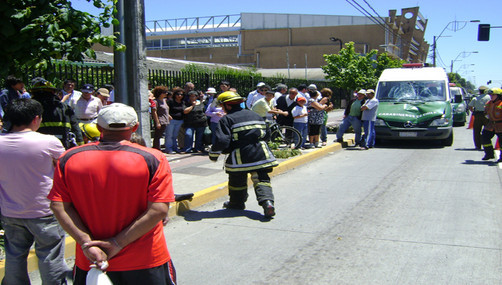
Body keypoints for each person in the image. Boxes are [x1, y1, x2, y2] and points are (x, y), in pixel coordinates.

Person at [48, 103, 177, 284]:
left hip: (92, 259)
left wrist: (86, 242)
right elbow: (158, 210)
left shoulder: (69, 158)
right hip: (145, 260)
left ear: (99, 128)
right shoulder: (154, 158)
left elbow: (58, 206)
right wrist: (116, 244)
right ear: (135, 128)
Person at [0, 98, 69, 284]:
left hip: (10, 211)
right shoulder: (48, 142)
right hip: (44, 210)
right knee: (50, 255)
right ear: (36, 119)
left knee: (14, 255)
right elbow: (65, 168)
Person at [209, 91, 278, 218]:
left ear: (228, 106)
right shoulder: (255, 115)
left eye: (223, 106)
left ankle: (237, 203)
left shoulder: (227, 119)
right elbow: (267, 134)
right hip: (261, 154)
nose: (222, 109)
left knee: (237, 180)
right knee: (261, 179)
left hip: (240, 156)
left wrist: (214, 154)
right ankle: (267, 202)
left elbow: (222, 140)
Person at [30, 77, 84, 149]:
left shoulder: (30, 108)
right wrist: (80, 145)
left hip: (37, 146)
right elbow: (75, 127)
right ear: (53, 92)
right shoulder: (64, 107)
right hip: (61, 145)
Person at [481, 88, 502, 161]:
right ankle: (489, 154)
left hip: (500, 125)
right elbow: (486, 112)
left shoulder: (501, 103)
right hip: (491, 125)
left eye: (493, 95)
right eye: (490, 95)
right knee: (484, 137)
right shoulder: (489, 103)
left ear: (498, 95)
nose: (491, 96)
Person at [468, 86, 490, 150]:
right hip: (486, 115)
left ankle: (478, 145)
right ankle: (486, 144)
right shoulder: (489, 98)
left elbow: (470, 106)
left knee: (477, 131)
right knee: (488, 130)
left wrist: (473, 111)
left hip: (477, 115)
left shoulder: (475, 98)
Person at [165, 88, 185, 153]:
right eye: (178, 94)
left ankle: (175, 147)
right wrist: (168, 115)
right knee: (169, 135)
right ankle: (168, 148)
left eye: (181, 94)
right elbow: (166, 109)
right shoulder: (170, 101)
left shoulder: (183, 102)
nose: (180, 96)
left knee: (175, 135)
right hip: (171, 120)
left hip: (180, 120)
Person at [151, 86, 171, 150]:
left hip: (165, 120)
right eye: (164, 92)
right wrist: (157, 123)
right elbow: (154, 112)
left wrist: (168, 116)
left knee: (160, 135)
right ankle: (156, 148)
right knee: (157, 136)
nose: (166, 93)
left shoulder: (164, 101)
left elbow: (166, 110)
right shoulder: (156, 101)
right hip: (160, 120)